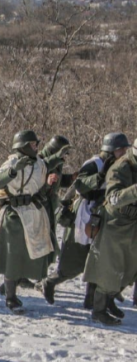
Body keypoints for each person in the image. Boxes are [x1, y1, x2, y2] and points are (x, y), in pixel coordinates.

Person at [42, 133, 129, 312]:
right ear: (114, 150)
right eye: (123, 149)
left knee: (97, 259)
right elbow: (79, 186)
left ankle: (90, 299)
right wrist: (99, 178)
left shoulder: (121, 166)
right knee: (74, 263)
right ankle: (49, 282)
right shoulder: (94, 164)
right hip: (83, 216)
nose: (126, 152)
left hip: (101, 216)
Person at [0, 130, 54, 314]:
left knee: (30, 254)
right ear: (24, 146)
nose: (36, 147)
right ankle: (10, 297)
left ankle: (15, 284)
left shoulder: (39, 164)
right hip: (14, 215)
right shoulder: (12, 162)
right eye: (33, 144)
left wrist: (48, 185)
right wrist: (12, 171)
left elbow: (40, 187)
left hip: (32, 213)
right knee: (13, 257)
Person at [83, 133, 137, 326]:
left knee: (129, 269)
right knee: (109, 269)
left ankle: (109, 301)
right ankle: (98, 310)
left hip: (132, 224)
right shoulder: (120, 167)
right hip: (114, 225)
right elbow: (113, 197)